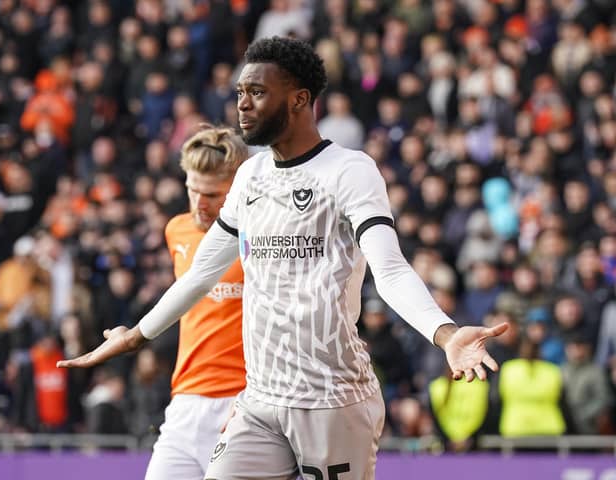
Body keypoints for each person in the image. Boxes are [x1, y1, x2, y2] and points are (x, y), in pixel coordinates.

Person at [59, 37, 507, 480]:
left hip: (332, 399)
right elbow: (200, 275)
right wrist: (137, 335)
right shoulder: (251, 176)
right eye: (240, 93)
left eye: (257, 92)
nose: (243, 105)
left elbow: (388, 270)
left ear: (299, 99)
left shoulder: (349, 171)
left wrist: (444, 334)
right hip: (259, 399)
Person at [142, 126, 247, 479]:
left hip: (243, 402)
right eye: (193, 190)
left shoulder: (262, 236)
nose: (200, 204)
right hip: (185, 400)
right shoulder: (177, 230)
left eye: (213, 194)